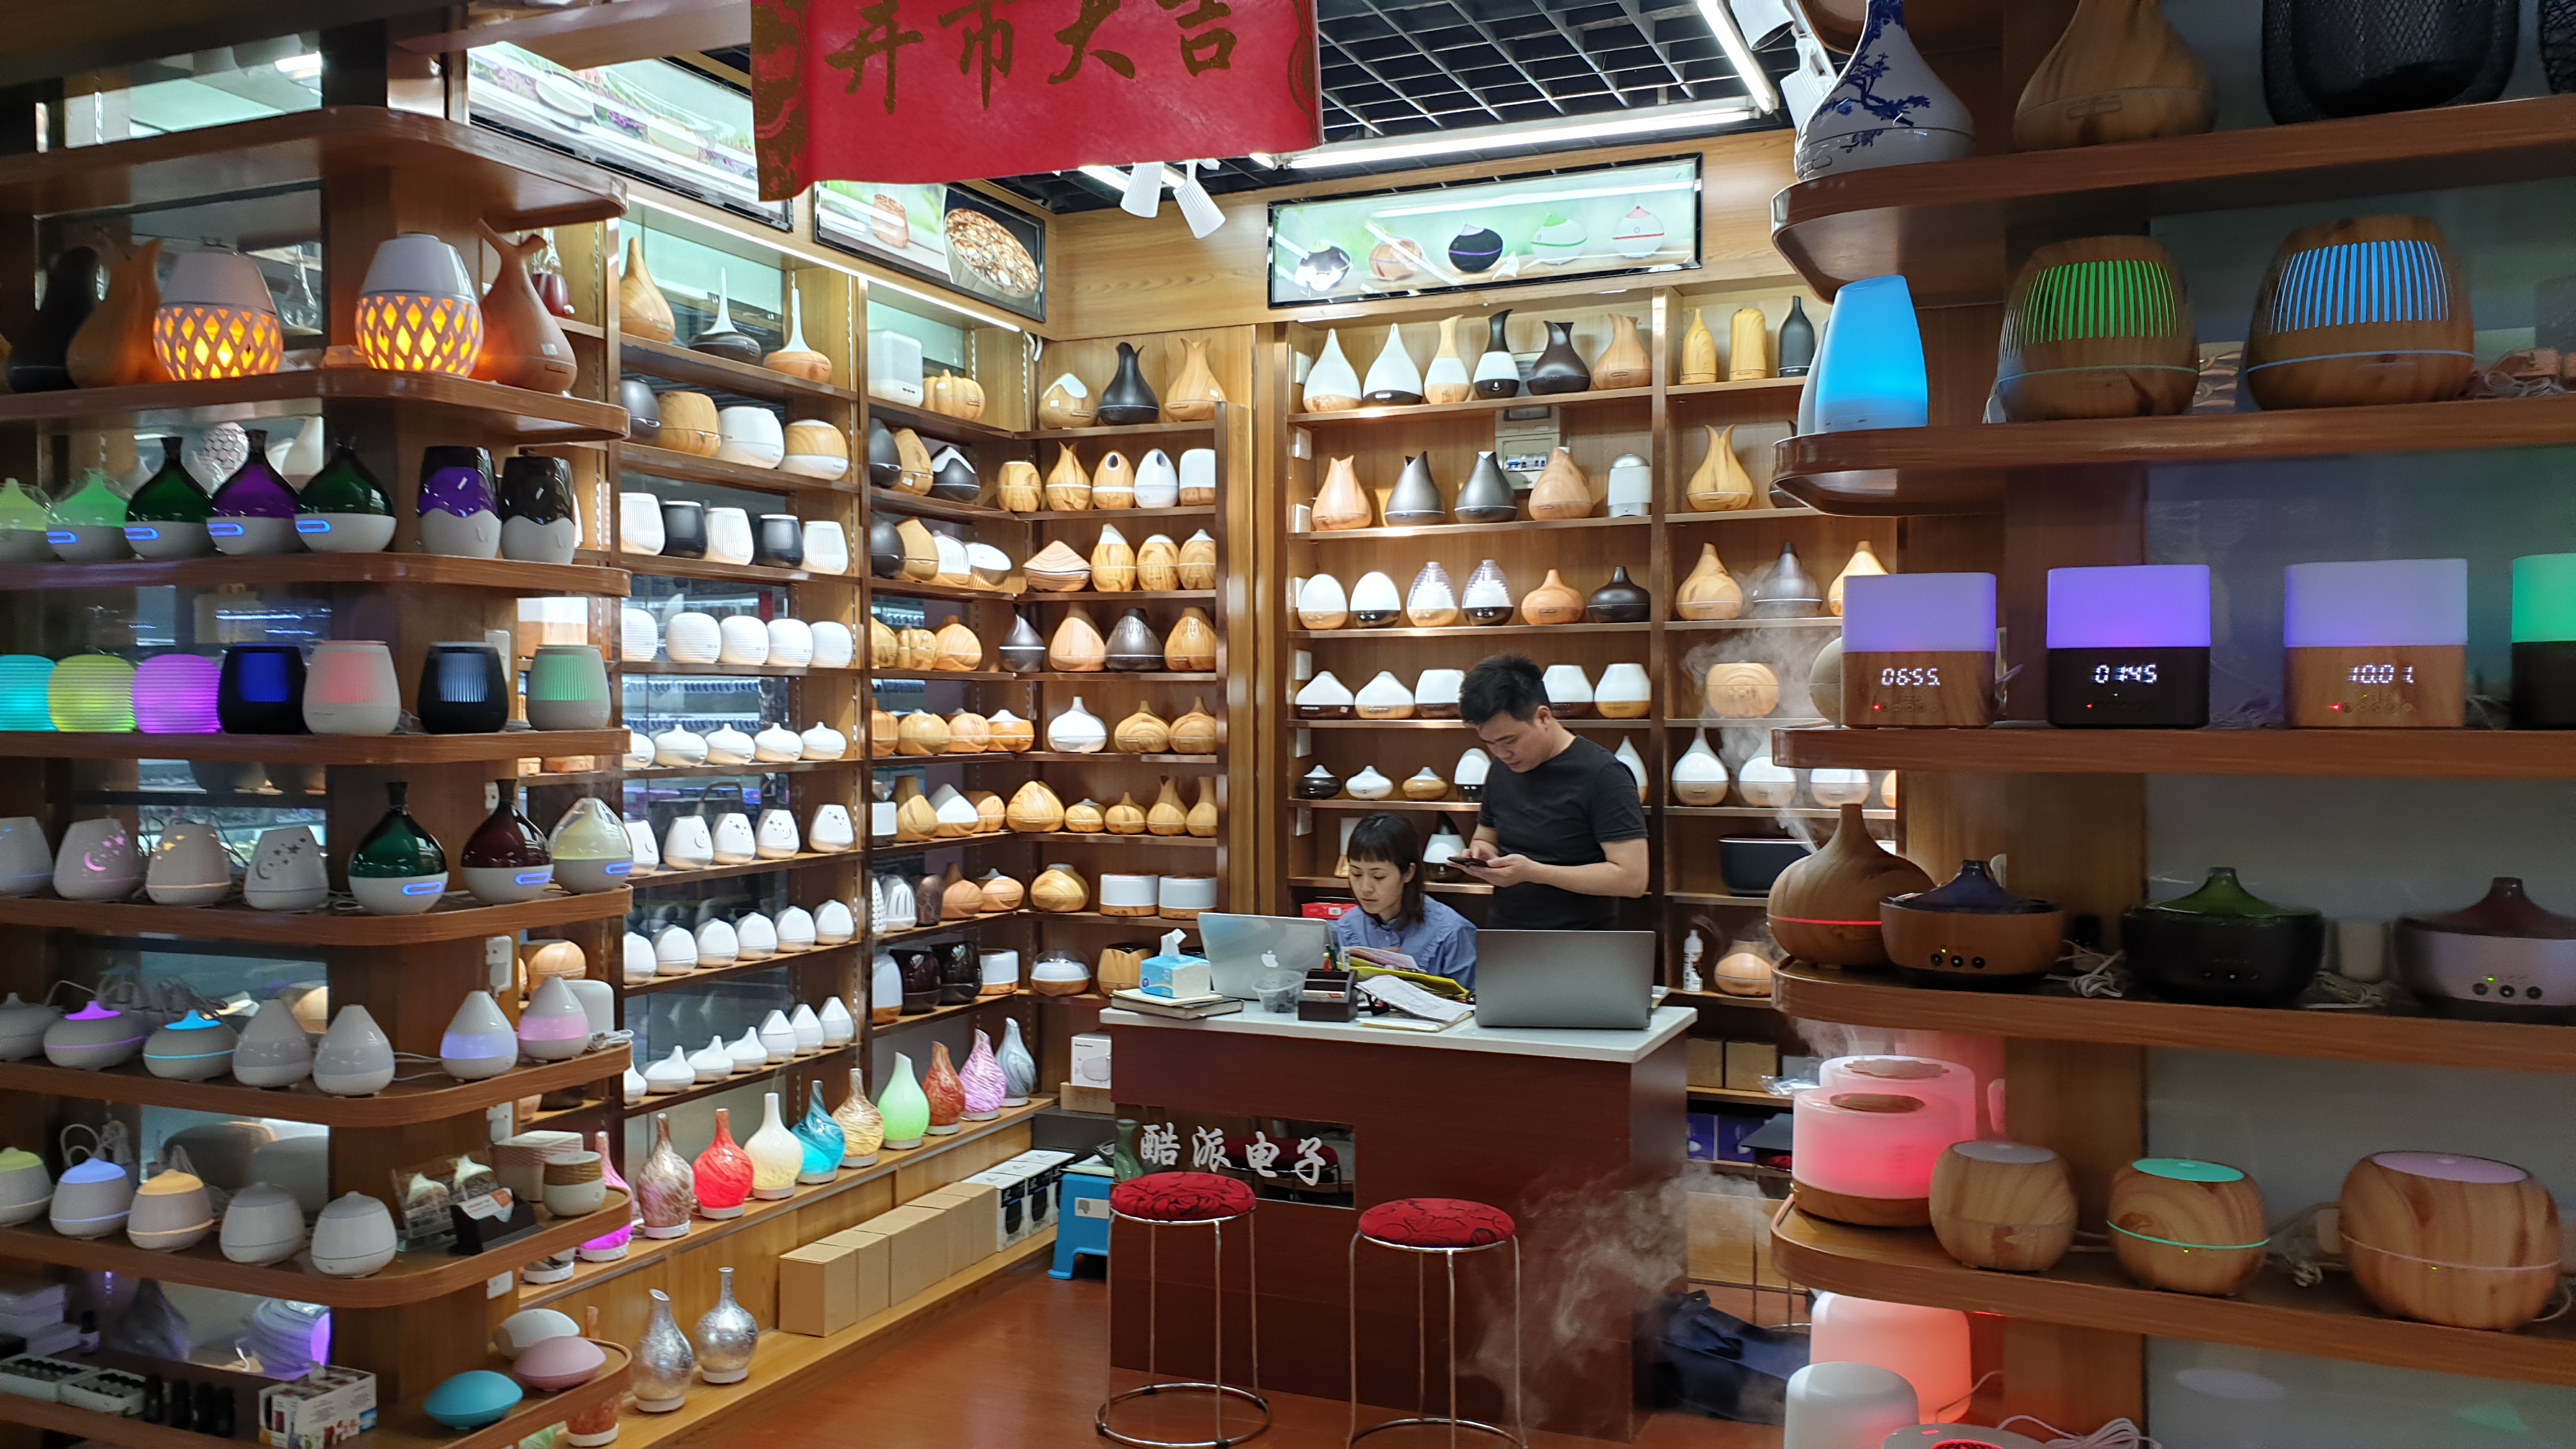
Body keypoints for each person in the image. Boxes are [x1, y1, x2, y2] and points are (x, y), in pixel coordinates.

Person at [1453, 654, 1648, 930]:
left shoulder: (1603, 774)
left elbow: (1632, 880)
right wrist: (1482, 856)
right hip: (1507, 931)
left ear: (1544, 717)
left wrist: (1535, 873)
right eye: (1490, 743)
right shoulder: (1501, 768)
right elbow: (1485, 838)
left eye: (1509, 740)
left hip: (1580, 938)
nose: (1502, 753)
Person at [1331, 812, 1477, 988]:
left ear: (1408, 873)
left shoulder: (1452, 932)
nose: (1365, 888)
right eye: (1356, 874)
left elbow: (1474, 1000)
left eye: (1378, 876)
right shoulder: (1348, 926)